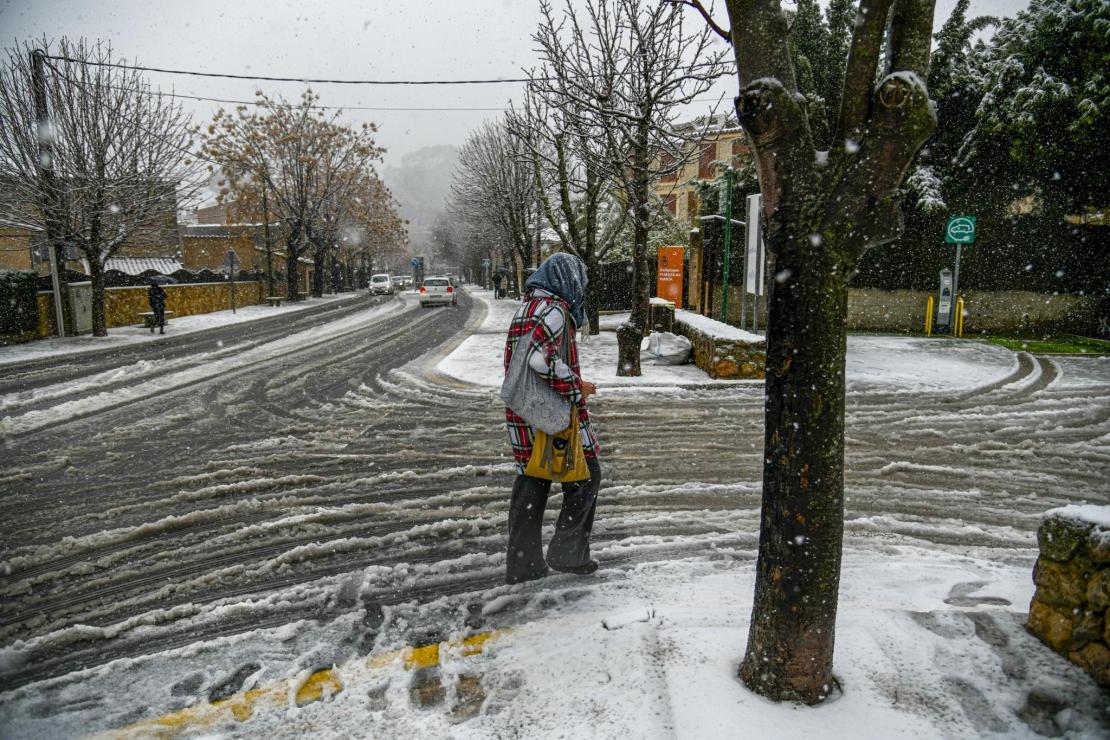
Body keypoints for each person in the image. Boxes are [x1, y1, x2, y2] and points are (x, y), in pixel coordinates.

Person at [502, 252, 601, 584]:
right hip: (551, 411)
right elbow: (538, 361)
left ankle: (523, 563)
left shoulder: (526, 307)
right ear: (567, 280)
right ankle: (567, 552)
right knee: (587, 475)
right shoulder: (556, 310)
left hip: (523, 412)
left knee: (532, 483)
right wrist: (577, 386)